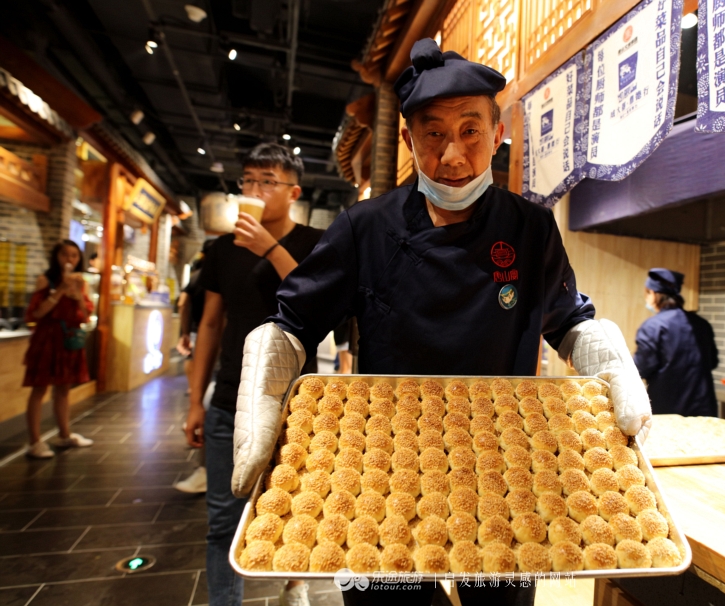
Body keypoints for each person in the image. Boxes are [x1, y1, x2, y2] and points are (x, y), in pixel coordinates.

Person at [231, 39, 652, 606]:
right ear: (408, 140)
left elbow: (568, 320)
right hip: (384, 469)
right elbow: (292, 324)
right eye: (434, 133)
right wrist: (261, 391)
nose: (453, 154)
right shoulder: (365, 227)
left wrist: (612, 361)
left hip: (506, 473)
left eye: (471, 131)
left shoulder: (529, 228)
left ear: (497, 133)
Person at [183, 143, 325, 606]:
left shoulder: (314, 244)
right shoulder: (223, 249)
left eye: (267, 181)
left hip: (297, 402)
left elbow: (319, 307)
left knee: (300, 504)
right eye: (248, 180)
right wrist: (193, 399)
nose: (255, 189)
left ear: (293, 191)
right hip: (229, 398)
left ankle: (296, 582)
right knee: (223, 518)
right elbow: (209, 323)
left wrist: (271, 249)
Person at [23, 240, 94, 459]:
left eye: (74, 256)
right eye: (65, 255)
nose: (70, 260)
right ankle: (35, 441)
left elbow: (86, 315)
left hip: (69, 340)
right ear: (56, 257)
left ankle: (65, 434)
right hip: (47, 339)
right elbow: (36, 313)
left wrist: (78, 297)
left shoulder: (81, 283)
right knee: (39, 388)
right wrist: (60, 291)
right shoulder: (45, 280)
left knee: (64, 389)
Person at [633, 268, 719, 417]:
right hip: (703, 408)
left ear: (654, 294)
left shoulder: (653, 326)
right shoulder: (702, 324)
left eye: (648, 293)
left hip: (667, 409)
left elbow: (641, 368)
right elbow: (713, 362)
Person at [174, 242, 213, 494]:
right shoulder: (205, 274)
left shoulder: (201, 273)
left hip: (209, 337)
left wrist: (185, 332)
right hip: (209, 338)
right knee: (209, 399)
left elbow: (183, 302)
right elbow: (186, 303)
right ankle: (205, 470)